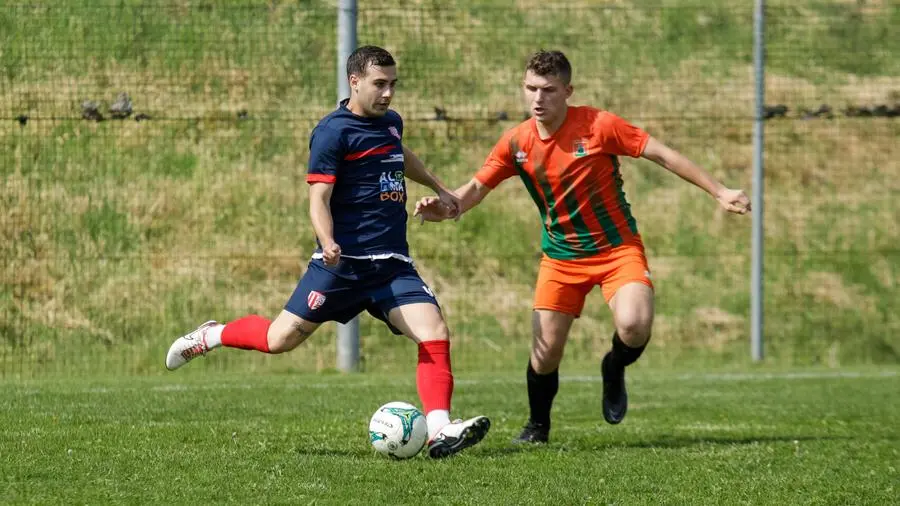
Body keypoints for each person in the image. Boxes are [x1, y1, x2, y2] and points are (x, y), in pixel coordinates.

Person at [165, 45, 490, 458]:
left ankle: (440, 430)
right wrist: (328, 241)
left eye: (393, 84)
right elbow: (318, 197)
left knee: (434, 332)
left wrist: (437, 186)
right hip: (342, 266)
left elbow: (400, 155)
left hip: (391, 265)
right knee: (278, 339)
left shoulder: (391, 123)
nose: (388, 93)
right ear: (354, 82)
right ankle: (211, 335)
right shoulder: (332, 132)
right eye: (379, 84)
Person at [414, 50, 750, 444]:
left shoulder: (599, 125)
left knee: (635, 325)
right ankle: (538, 426)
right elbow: (473, 190)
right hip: (560, 259)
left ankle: (613, 367)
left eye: (549, 90)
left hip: (616, 250)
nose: (538, 99)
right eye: (530, 89)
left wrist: (720, 190)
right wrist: (446, 207)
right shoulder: (516, 142)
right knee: (545, 353)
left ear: (568, 91)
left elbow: (662, 154)